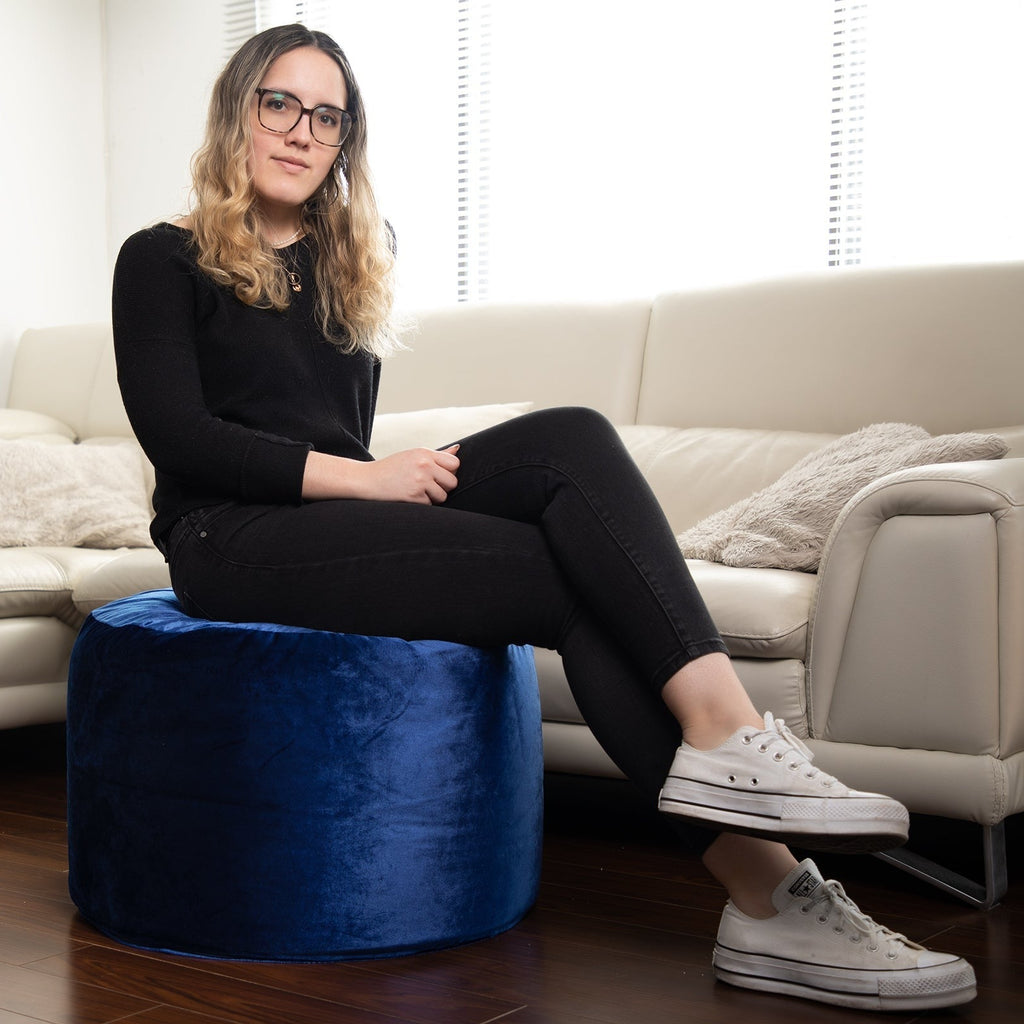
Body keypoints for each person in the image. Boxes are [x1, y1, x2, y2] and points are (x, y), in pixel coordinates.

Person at [111, 24, 976, 1012]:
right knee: (559, 576)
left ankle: (731, 743)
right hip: (228, 539)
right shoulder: (162, 259)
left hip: (331, 520)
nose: (303, 131)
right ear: (237, 110)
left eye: (328, 116)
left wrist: (369, 485)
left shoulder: (352, 258)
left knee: (570, 440)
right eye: (280, 103)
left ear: (346, 140)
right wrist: (366, 482)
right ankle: (770, 894)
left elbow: (334, 424)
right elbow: (181, 438)